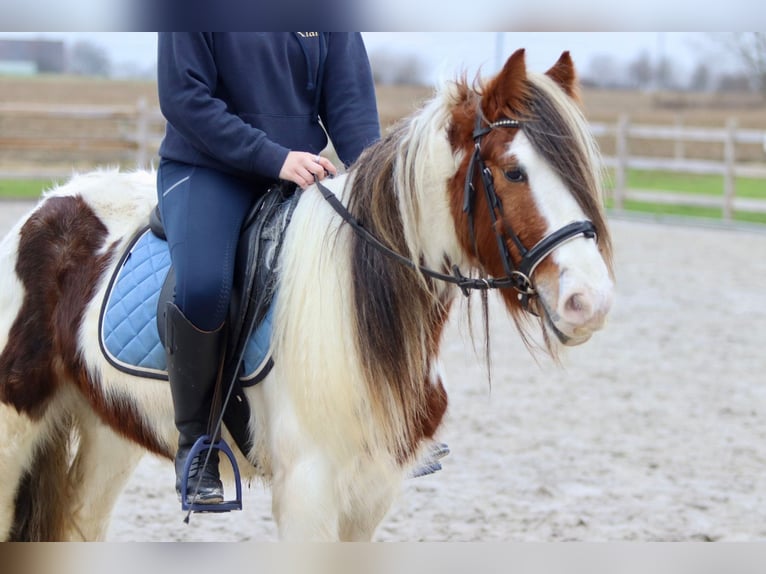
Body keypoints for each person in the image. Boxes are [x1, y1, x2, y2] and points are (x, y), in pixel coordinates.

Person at [156, 32, 381, 505]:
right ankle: (197, 444)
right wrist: (273, 157)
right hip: (207, 169)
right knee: (202, 287)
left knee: (375, 259)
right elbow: (184, 99)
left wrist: (374, 185)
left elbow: (350, 103)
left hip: (299, 169)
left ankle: (386, 417)